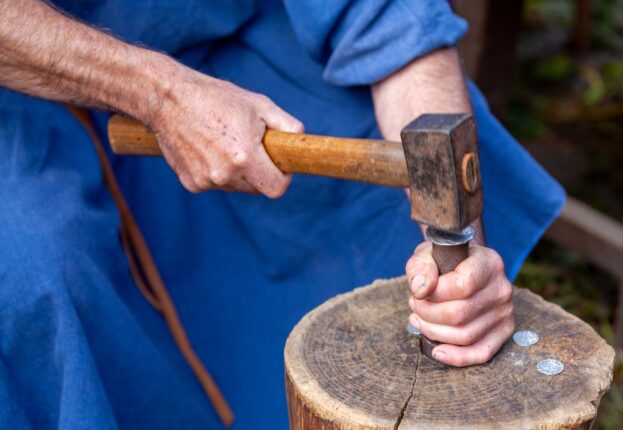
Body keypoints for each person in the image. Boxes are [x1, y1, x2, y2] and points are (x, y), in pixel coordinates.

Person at [0, 0, 565, 428]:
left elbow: (393, 20)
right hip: (18, 83)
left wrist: (465, 256)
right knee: (39, 268)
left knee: (378, 154)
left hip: (215, 42)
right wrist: (161, 95)